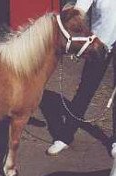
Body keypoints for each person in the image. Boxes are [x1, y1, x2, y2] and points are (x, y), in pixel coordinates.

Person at [47, 0, 116, 156]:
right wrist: (67, 21)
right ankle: (65, 137)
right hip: (98, 44)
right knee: (85, 89)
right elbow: (79, 9)